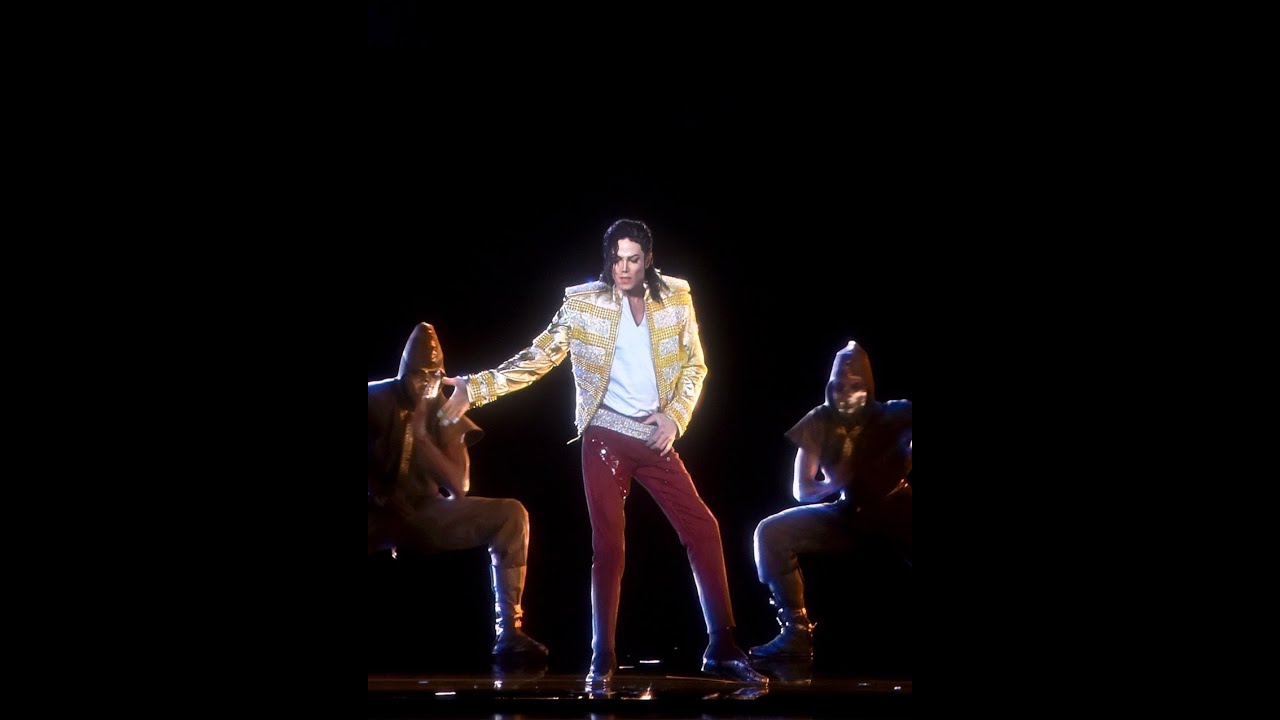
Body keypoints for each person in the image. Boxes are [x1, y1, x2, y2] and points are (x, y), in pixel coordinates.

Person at [437, 219, 766, 685]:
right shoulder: (583, 304)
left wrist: (675, 417)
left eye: (633, 259)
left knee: (704, 528)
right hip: (604, 436)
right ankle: (602, 657)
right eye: (616, 259)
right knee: (609, 545)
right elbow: (537, 357)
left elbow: (696, 365)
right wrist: (476, 387)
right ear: (607, 259)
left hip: (652, 436)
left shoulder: (677, 297)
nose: (624, 268)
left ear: (648, 260)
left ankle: (722, 646)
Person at [368, 322, 548, 662]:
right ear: (404, 371)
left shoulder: (445, 411)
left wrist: (422, 436)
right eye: (418, 374)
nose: (426, 383)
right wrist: (376, 493)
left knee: (511, 514)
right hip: (375, 512)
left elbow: (460, 485)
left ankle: (509, 631)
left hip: (422, 513)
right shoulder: (375, 398)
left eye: (434, 375)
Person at [749, 340, 912, 659]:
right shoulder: (819, 422)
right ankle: (796, 632)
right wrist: (832, 484)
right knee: (771, 533)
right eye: (839, 386)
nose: (846, 393)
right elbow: (801, 489)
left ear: (868, 387)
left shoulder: (895, 413)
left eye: (855, 386)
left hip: (898, 507)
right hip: (848, 515)